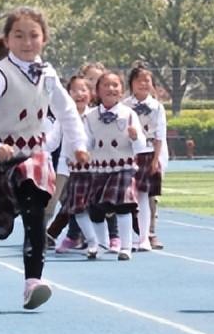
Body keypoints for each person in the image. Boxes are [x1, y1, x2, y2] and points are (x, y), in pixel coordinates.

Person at [0, 7, 88, 308]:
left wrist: (79, 145)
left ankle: (33, 282)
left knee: (36, 209)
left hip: (32, 155)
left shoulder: (48, 74)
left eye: (33, 35)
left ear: (44, 39)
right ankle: (2, 212)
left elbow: (68, 111)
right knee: (0, 226)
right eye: (18, 35)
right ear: (7, 40)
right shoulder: (0, 75)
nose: (27, 42)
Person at [84, 70, 144, 260]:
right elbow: (87, 142)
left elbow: (141, 145)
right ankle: (101, 244)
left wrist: (135, 137)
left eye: (115, 85)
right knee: (96, 207)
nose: (111, 88)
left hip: (123, 166)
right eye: (106, 85)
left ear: (122, 91)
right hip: (99, 167)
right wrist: (81, 152)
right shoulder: (90, 117)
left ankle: (126, 247)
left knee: (123, 206)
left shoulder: (129, 114)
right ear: (97, 91)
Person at [121, 63, 167, 252]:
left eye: (147, 80)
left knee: (146, 196)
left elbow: (160, 135)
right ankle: (124, 237)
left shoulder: (156, 107)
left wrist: (157, 159)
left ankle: (146, 235)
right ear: (131, 83)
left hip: (148, 153)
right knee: (125, 196)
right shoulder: (124, 106)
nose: (143, 84)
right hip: (128, 154)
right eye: (139, 80)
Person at [52, 75, 93, 254]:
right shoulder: (64, 116)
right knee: (59, 202)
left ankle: (75, 236)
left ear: (91, 93)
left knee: (79, 202)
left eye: (83, 90)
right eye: (75, 90)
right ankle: (71, 235)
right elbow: (52, 140)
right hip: (66, 165)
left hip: (90, 168)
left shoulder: (96, 116)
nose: (79, 94)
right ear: (67, 94)